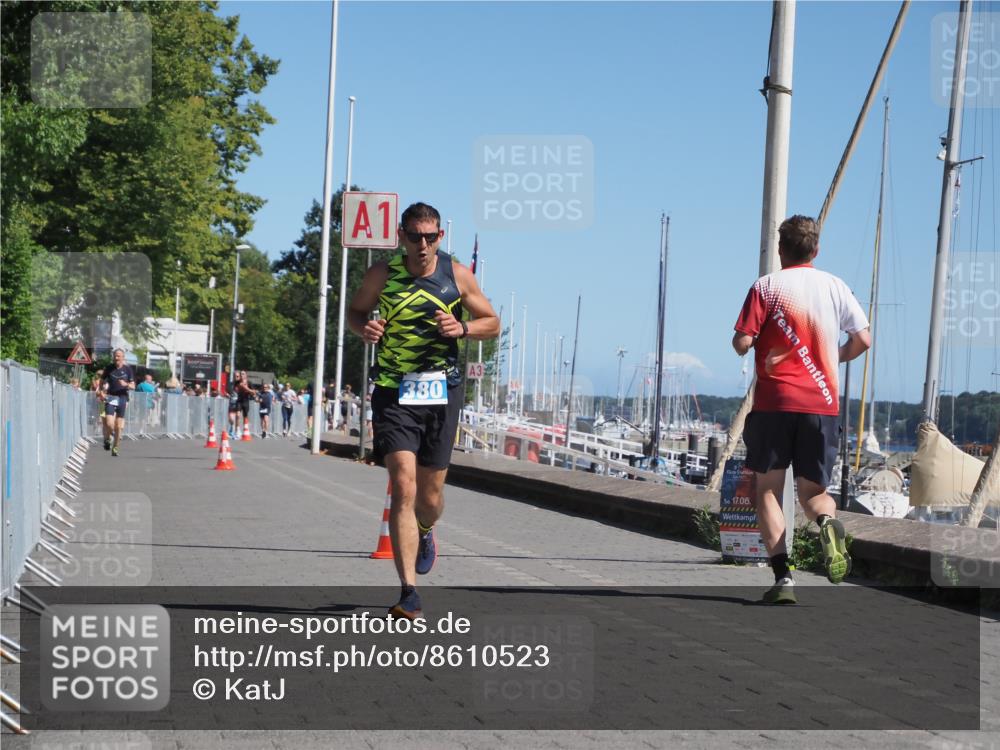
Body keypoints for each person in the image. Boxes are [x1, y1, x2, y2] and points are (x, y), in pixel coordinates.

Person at [348, 201, 499, 620]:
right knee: (403, 485)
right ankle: (409, 591)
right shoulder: (381, 274)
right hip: (394, 391)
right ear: (401, 236)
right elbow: (356, 312)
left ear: (439, 237)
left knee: (429, 498)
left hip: (440, 393)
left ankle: (427, 530)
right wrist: (365, 329)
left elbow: (492, 322)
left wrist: (463, 327)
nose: (422, 244)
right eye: (415, 236)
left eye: (430, 237)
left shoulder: (457, 275)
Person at [732, 215, 870, 605]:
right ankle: (826, 522)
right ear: (816, 250)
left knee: (768, 491)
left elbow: (742, 342)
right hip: (821, 405)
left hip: (774, 403)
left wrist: (751, 342)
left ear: (781, 249)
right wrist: (832, 356)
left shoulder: (766, 287)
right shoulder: (835, 286)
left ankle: (784, 579)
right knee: (813, 494)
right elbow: (863, 339)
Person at [101, 348, 135, 456]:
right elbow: (102, 381)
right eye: (115, 356)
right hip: (111, 397)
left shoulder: (128, 370)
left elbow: (133, 386)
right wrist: (101, 391)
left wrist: (126, 384)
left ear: (123, 357)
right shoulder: (109, 368)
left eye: (119, 356)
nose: (116, 358)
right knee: (109, 423)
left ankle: (115, 448)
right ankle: (108, 439)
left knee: (119, 426)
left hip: (122, 398)